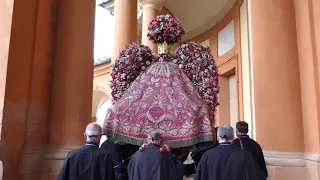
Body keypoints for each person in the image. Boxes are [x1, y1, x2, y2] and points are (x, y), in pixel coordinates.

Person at [194, 125, 265, 180]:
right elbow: (257, 175)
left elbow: (198, 177)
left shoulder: (207, 155)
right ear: (233, 137)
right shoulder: (245, 155)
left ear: (218, 137)